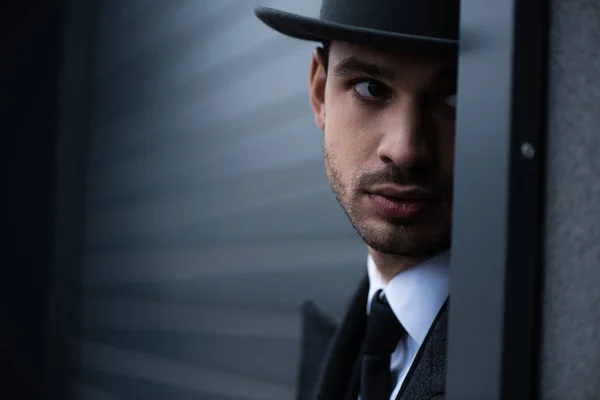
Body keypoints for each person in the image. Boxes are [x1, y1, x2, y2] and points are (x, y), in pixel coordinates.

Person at [255, 1, 459, 399]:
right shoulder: (343, 336)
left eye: (454, 98)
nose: (406, 150)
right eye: (371, 88)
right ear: (319, 93)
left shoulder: (549, 353)